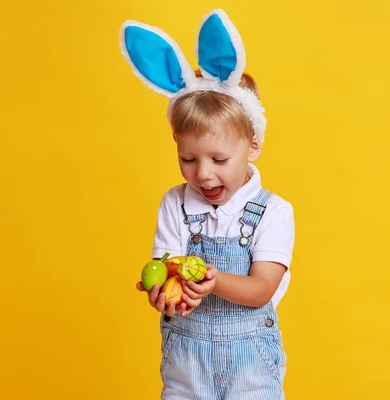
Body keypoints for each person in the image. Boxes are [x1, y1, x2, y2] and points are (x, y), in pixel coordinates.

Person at [120, 9, 295, 399]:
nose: (202, 174)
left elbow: (262, 289)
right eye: (188, 159)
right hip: (187, 362)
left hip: (250, 365)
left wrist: (212, 281)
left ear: (253, 147)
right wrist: (166, 295)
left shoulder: (273, 211)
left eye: (218, 160)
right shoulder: (175, 203)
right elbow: (166, 267)